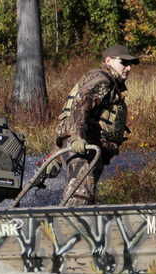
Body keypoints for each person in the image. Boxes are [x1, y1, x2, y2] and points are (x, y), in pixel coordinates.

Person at [54, 45, 138, 206]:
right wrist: (76, 138)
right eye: (124, 63)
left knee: (86, 195)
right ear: (108, 61)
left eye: (130, 64)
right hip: (81, 144)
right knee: (80, 195)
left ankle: (81, 228)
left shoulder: (111, 83)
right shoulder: (102, 81)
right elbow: (79, 108)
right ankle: (69, 229)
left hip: (89, 146)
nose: (128, 68)